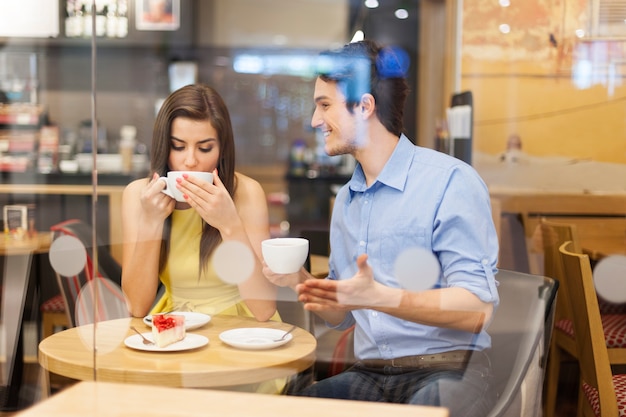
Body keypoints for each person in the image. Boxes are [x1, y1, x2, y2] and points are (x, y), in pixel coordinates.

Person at [263, 40, 500, 417]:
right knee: (290, 406)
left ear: (365, 105)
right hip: (372, 375)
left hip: (446, 371)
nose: (314, 120)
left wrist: (379, 296)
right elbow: (342, 315)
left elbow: (477, 309)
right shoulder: (346, 201)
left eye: (325, 105)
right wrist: (300, 280)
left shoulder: (450, 182)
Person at [121, 83, 279, 328]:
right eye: (178, 146)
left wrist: (230, 225)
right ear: (164, 146)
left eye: (205, 148)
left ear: (221, 150)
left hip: (242, 327)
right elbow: (137, 306)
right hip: (176, 327)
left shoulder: (247, 192)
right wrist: (151, 222)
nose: (190, 160)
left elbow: (264, 309)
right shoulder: (138, 196)